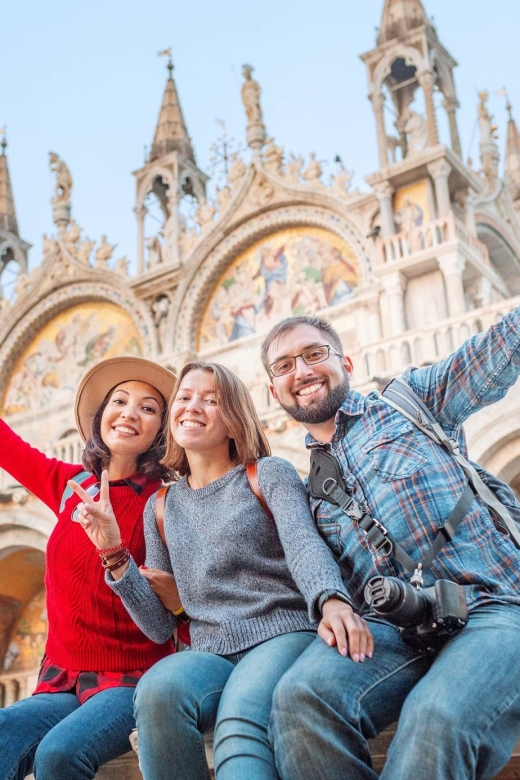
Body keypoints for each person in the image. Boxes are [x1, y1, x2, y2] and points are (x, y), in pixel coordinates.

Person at [69, 360, 373, 780]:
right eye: (185, 397)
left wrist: (331, 600)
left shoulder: (267, 474)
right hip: (209, 651)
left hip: (282, 634)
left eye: (210, 400)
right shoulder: (162, 505)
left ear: (233, 420)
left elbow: (305, 545)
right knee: (157, 690)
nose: (192, 407)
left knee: (239, 719)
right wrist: (113, 553)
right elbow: (159, 626)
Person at [260, 312, 520, 780]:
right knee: (300, 698)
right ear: (273, 391)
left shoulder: (410, 401)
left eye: (314, 354)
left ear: (347, 362)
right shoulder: (311, 492)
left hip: (495, 607)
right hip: (400, 630)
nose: (301, 371)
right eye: (283, 366)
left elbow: (498, 350)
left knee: (435, 716)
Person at [0, 356, 176, 780]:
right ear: (102, 417)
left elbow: (165, 623)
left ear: (160, 431)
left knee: (59, 754)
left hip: (132, 682)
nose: (130, 413)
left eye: (148, 407)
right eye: (120, 400)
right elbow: (8, 448)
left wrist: (115, 552)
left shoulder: (166, 504)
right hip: (62, 682)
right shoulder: (69, 486)